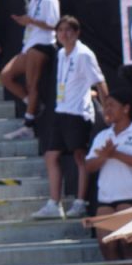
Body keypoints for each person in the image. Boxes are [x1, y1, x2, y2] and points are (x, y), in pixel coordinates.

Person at [36, 15, 105, 219]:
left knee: (79, 156)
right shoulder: (60, 54)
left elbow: (99, 81)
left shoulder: (84, 54)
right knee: (51, 156)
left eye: (68, 30)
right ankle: (54, 204)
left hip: (78, 113)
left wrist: (108, 110)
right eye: (60, 30)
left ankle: (80, 202)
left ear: (77, 33)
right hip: (61, 111)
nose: (64, 34)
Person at [85, 88, 132, 265]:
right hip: (106, 197)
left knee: (127, 244)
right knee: (106, 244)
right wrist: (104, 156)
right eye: (105, 105)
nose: (107, 109)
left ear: (126, 108)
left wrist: (116, 155)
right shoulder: (103, 136)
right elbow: (89, 166)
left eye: (111, 105)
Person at [1, 0, 60, 141]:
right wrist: (25, 21)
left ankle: (28, 125)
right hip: (29, 45)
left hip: (43, 45)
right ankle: (34, 105)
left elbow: (54, 25)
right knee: (6, 75)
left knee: (31, 84)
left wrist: (31, 21)